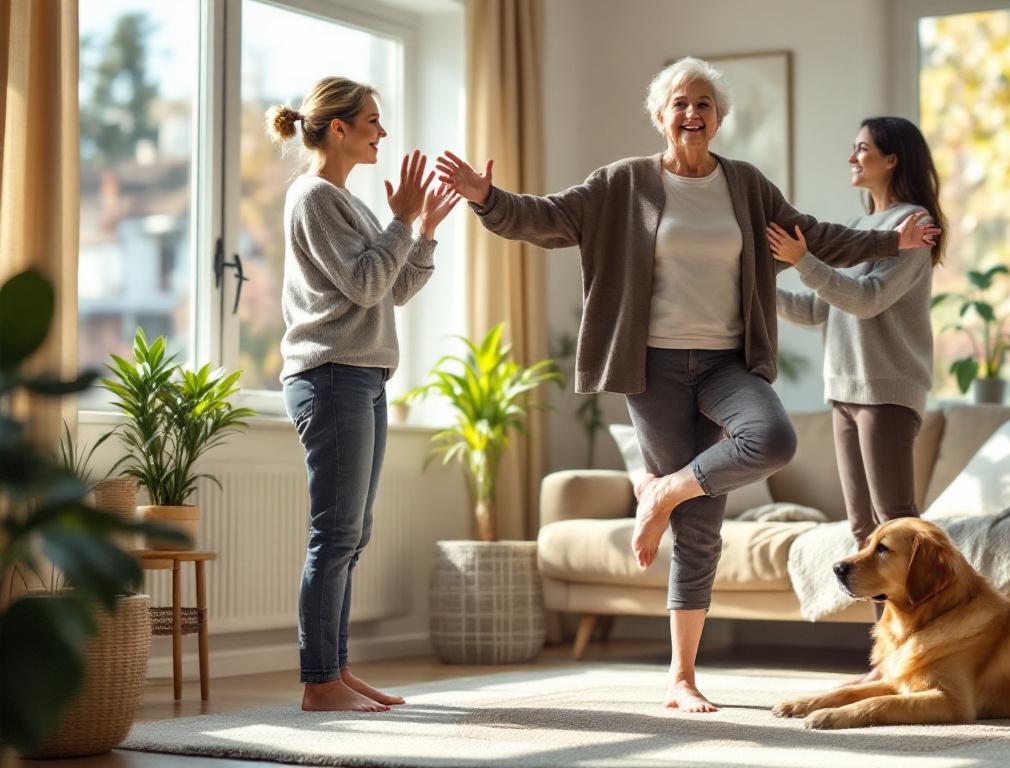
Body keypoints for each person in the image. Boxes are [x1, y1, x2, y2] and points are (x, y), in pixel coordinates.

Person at [436, 58, 938, 713]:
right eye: (679, 102)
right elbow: (547, 217)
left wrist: (891, 243)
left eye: (703, 103)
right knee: (701, 529)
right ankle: (682, 677)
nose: (692, 113)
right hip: (653, 369)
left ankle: (662, 489)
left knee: (773, 437)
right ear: (660, 115)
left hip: (728, 363)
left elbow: (815, 236)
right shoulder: (623, 183)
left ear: (719, 117)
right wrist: (487, 198)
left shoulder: (746, 186)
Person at [266, 76, 459, 712]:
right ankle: (319, 681)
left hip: (363, 376)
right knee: (335, 535)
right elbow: (367, 284)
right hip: (331, 377)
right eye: (372, 121)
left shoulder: (347, 202)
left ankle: (336, 672)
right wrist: (401, 220)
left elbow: (392, 289)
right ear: (339, 128)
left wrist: (422, 231)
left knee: (351, 534)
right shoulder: (313, 196)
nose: (382, 132)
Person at [773, 116, 944, 683]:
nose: (852, 158)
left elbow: (868, 299)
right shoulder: (861, 227)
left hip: (886, 390)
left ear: (892, 158)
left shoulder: (914, 226)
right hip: (844, 391)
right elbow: (818, 309)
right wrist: (756, 287)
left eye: (862, 149)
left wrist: (803, 261)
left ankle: (923, 650)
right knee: (864, 533)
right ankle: (888, 659)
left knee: (898, 528)